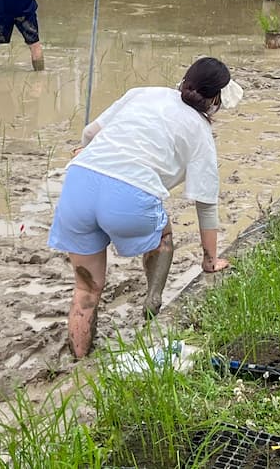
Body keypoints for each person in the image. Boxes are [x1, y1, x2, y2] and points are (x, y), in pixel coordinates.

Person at [48, 57, 242, 358]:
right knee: (163, 236)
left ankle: (79, 362)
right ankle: (152, 299)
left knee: (86, 290)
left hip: (79, 183)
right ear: (216, 99)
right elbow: (205, 204)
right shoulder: (201, 133)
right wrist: (210, 259)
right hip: (129, 196)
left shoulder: (144, 92)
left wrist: (86, 151)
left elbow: (89, 133)